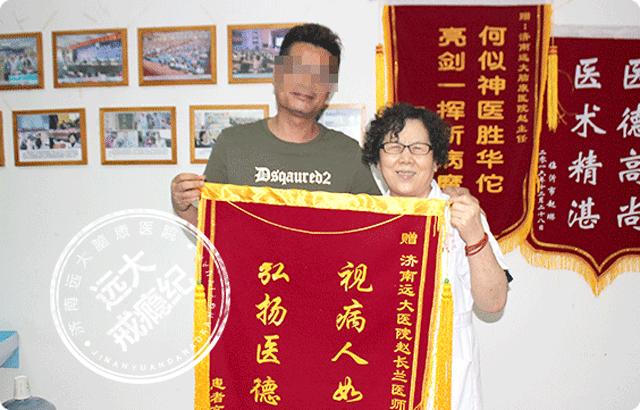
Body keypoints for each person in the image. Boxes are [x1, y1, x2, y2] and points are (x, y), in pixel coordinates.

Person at [361, 102, 510, 410]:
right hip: (380, 367)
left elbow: (493, 303)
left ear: (436, 160)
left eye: (418, 148)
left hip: (447, 372)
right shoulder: (365, 221)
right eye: (393, 146)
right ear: (377, 159)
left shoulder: (461, 215)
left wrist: (474, 235)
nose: (405, 158)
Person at [171, 23, 381, 227]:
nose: (307, 83)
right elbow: (211, 229)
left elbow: (377, 228)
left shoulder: (348, 153)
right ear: (276, 75)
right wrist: (182, 207)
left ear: (330, 89)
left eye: (320, 75)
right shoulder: (232, 144)